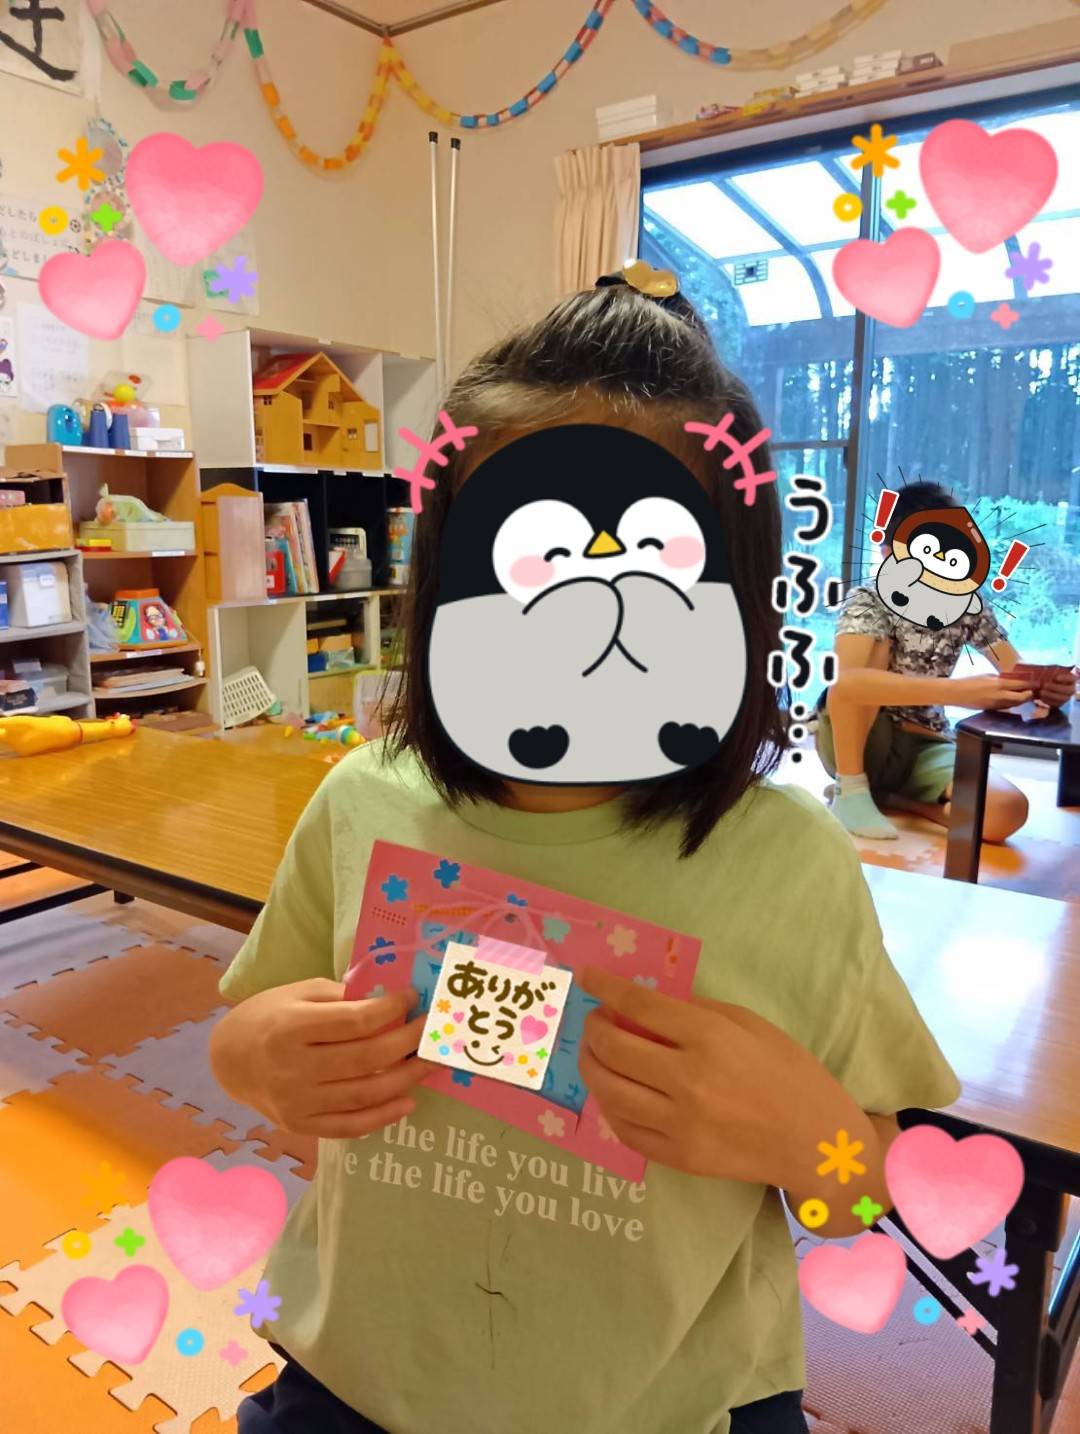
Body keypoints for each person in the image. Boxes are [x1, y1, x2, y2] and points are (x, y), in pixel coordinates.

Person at [210, 274, 959, 1434]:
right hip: (358, 1381)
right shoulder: (366, 798)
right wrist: (258, 1059)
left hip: (676, 1404)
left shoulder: (791, 861)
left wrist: (799, 1134)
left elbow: (870, 1188)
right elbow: (247, 1031)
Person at [818, 481, 1077, 841]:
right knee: (871, 653)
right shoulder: (868, 600)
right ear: (890, 552)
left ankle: (890, 799)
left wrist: (1047, 690)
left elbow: (1014, 673)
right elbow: (847, 684)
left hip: (927, 745)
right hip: (859, 742)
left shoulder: (968, 607)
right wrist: (959, 692)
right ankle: (851, 788)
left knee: (1007, 811)